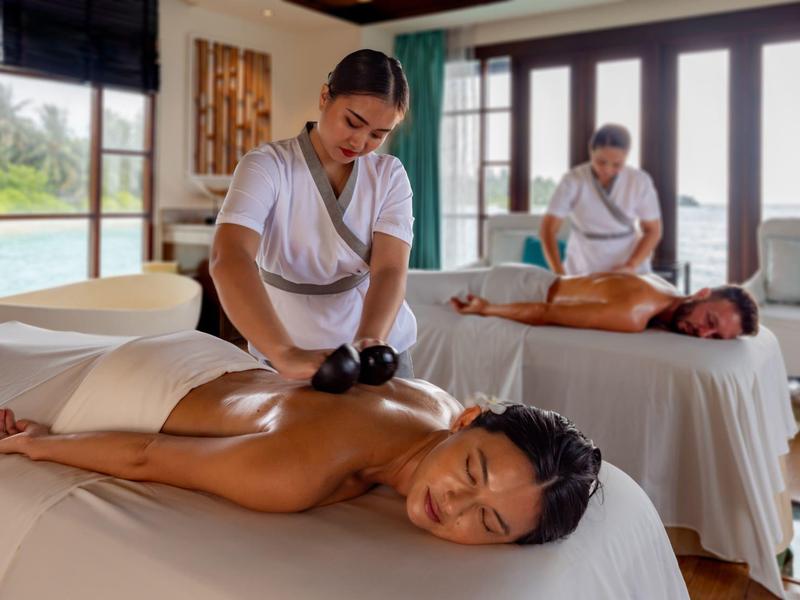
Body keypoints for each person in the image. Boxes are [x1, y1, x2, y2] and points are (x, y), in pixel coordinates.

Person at [0, 322, 601, 546]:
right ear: (469, 420)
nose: (456, 504)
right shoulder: (296, 475)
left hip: (207, 355)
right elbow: (145, 454)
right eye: (473, 472)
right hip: (129, 390)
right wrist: (35, 444)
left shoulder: (437, 403)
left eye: (489, 522)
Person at [210, 49, 416, 381]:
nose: (360, 141)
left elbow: (390, 269)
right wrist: (283, 353)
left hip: (376, 347)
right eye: (353, 122)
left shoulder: (389, 174)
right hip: (286, 350)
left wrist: (369, 341)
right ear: (324, 97)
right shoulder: (267, 165)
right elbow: (229, 256)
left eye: (379, 134)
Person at [449, 265, 759, 339]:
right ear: (702, 293)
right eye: (711, 322)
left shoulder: (663, 288)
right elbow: (546, 313)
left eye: (715, 337)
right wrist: (487, 308)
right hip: (516, 292)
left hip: (533, 279)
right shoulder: (636, 313)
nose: (703, 334)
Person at [540, 124, 662, 276]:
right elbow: (548, 230)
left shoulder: (640, 181)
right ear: (591, 152)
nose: (608, 170)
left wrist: (631, 264)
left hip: (628, 261)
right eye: (601, 162)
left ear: (626, 156)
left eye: (617, 164)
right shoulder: (573, 180)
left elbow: (653, 231)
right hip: (584, 258)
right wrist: (559, 274)